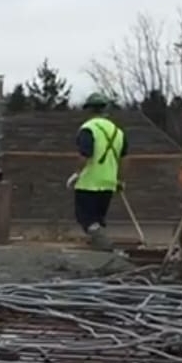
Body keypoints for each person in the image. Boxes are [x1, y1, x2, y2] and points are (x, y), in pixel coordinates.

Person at [68, 92, 127, 249]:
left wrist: (76, 174)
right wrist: (120, 180)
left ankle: (104, 244)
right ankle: (97, 245)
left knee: (85, 217)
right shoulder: (118, 132)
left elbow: (85, 154)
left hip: (89, 182)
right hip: (109, 183)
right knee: (98, 218)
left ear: (89, 110)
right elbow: (124, 158)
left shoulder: (88, 129)